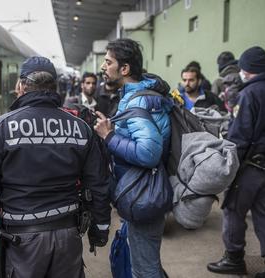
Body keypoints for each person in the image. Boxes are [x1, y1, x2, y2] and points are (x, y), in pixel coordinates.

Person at [0, 56, 112, 278]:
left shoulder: (1, 128)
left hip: (21, 243)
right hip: (67, 237)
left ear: (21, 86)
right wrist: (100, 226)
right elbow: (99, 183)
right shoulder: (80, 127)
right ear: (54, 86)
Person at [94, 38, 172, 278]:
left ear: (124, 69)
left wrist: (109, 137)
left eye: (108, 62)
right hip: (139, 190)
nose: (102, 67)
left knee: (144, 270)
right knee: (149, 263)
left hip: (143, 195)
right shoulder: (138, 95)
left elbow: (148, 153)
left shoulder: (138, 100)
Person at [207, 46, 265, 278]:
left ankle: (233, 258)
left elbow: (240, 135)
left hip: (250, 165)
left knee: (233, 209)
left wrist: (228, 166)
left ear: (248, 69)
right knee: (263, 212)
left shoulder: (249, 94)